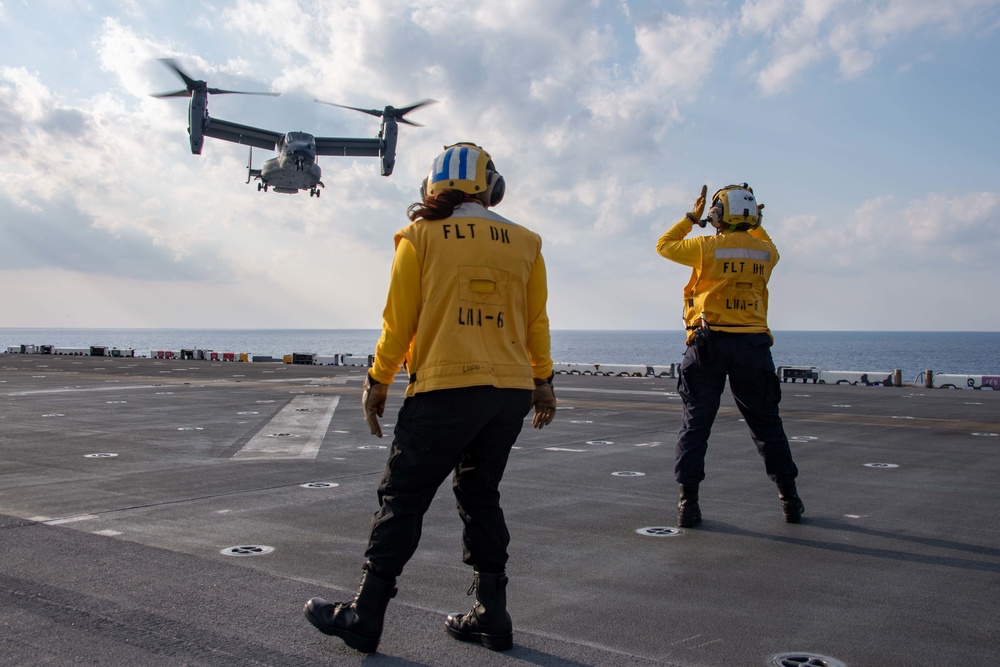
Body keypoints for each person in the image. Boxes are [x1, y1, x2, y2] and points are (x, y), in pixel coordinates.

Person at [304, 142, 556, 654]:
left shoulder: (419, 236)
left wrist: (378, 381)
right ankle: (493, 616)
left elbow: (399, 321)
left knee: (403, 500)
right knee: (481, 495)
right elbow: (536, 322)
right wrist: (543, 380)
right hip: (508, 393)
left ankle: (365, 615)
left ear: (431, 186)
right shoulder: (526, 241)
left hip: (444, 389)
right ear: (491, 188)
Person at [655, 183, 804, 528]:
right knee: (767, 426)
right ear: (752, 218)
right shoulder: (767, 251)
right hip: (752, 347)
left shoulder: (707, 247)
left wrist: (691, 218)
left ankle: (687, 505)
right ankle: (790, 500)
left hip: (708, 346)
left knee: (695, 425)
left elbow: (664, 246)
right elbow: (764, 239)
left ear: (718, 215)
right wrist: (756, 221)